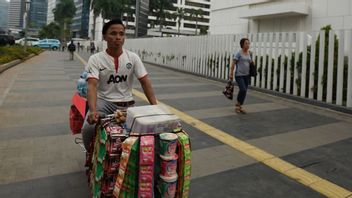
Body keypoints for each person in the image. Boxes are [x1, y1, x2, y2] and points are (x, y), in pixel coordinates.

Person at [82, 18, 157, 151]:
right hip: (103, 103)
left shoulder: (133, 58)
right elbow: (92, 86)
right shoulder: (95, 59)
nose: (118, 37)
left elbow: (145, 81)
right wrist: (93, 110)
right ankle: (90, 155)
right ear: (105, 37)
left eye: (121, 34)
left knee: (138, 135)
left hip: (127, 105)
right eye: (113, 33)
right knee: (88, 128)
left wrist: (155, 106)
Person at [229, 38, 254, 114]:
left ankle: (240, 106)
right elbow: (233, 63)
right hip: (239, 75)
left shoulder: (249, 53)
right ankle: (238, 105)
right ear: (242, 44)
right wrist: (231, 73)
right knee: (242, 89)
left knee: (244, 91)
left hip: (246, 75)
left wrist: (253, 64)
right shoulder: (239, 53)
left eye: (249, 43)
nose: (248, 45)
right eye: (246, 43)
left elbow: (250, 61)